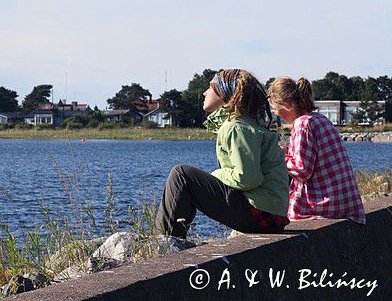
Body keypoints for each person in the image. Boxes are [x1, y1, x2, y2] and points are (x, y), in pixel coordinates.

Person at [156, 69, 290, 239]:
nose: (205, 92)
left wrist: (215, 175)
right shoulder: (246, 124)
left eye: (210, 88)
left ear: (225, 93)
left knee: (181, 176)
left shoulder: (237, 127)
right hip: (271, 214)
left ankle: (166, 241)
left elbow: (248, 178)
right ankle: (174, 238)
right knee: (188, 182)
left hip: (261, 214)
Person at [267, 77, 365, 224]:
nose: (276, 113)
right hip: (346, 203)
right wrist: (288, 152)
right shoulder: (320, 119)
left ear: (288, 105)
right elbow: (314, 157)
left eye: (276, 108)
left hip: (326, 206)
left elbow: (302, 170)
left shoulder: (302, 124)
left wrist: (280, 156)